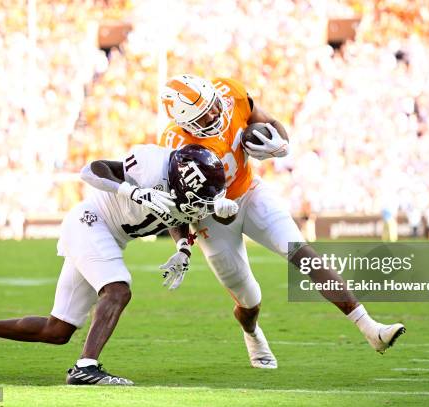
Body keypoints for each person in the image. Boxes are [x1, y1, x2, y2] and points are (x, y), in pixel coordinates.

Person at [0, 144, 237, 385]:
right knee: (117, 290)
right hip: (91, 222)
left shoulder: (183, 189)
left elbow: (180, 215)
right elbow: (91, 171)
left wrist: (183, 247)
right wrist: (130, 190)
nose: (200, 208)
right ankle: (85, 367)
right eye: (197, 199)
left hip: (108, 236)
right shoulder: (151, 164)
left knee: (57, 331)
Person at [158, 74, 405, 369]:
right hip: (211, 219)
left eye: (212, 106)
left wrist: (281, 145)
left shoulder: (231, 93)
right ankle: (251, 332)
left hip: (250, 192)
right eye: (203, 115)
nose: (213, 115)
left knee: (303, 253)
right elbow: (174, 204)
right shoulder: (174, 146)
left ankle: (370, 329)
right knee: (249, 299)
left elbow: (270, 122)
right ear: (185, 123)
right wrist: (183, 245)